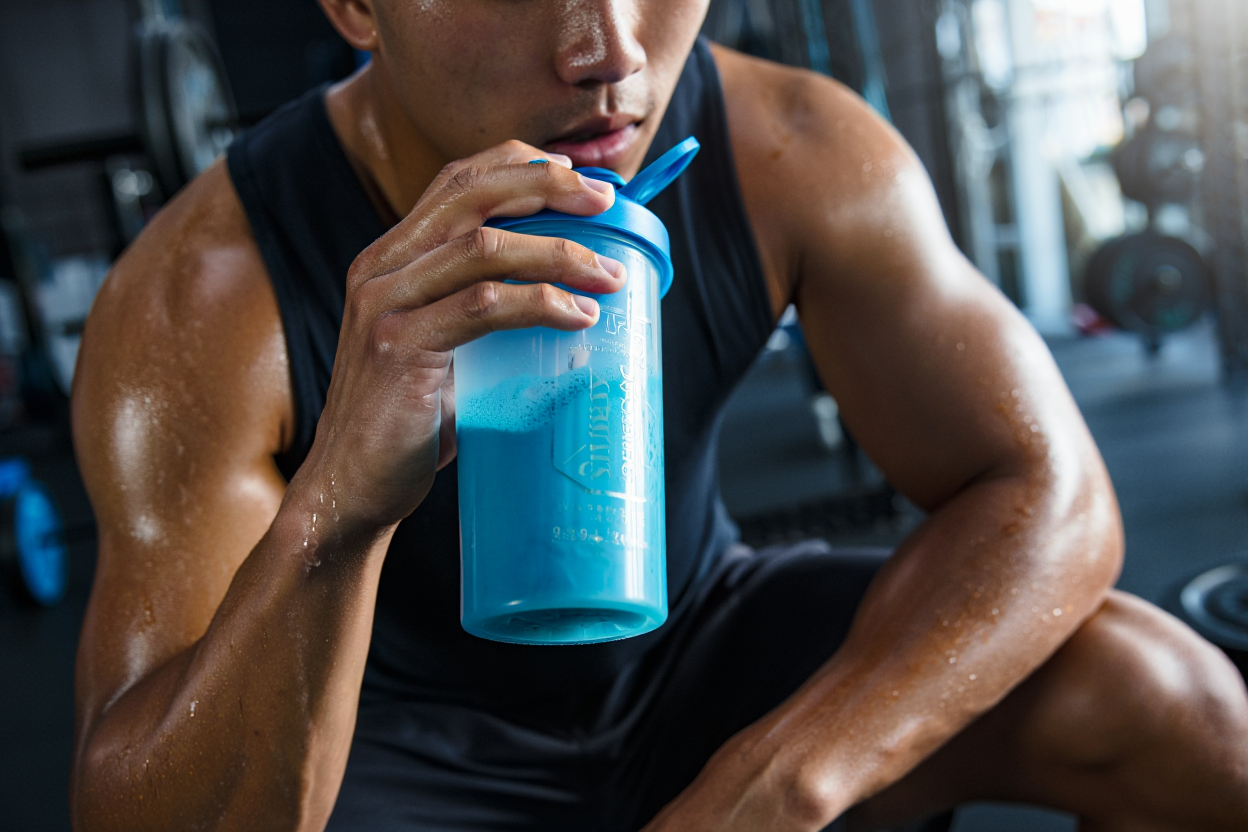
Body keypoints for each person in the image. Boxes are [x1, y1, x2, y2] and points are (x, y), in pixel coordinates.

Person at [69, 2, 1248, 830]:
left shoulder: (793, 149)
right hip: (386, 734)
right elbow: (137, 809)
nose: (610, 52)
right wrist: (336, 503)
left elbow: (1052, 493)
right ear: (357, 4)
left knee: (1182, 711)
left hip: (700, 650)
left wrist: (781, 782)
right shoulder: (202, 299)